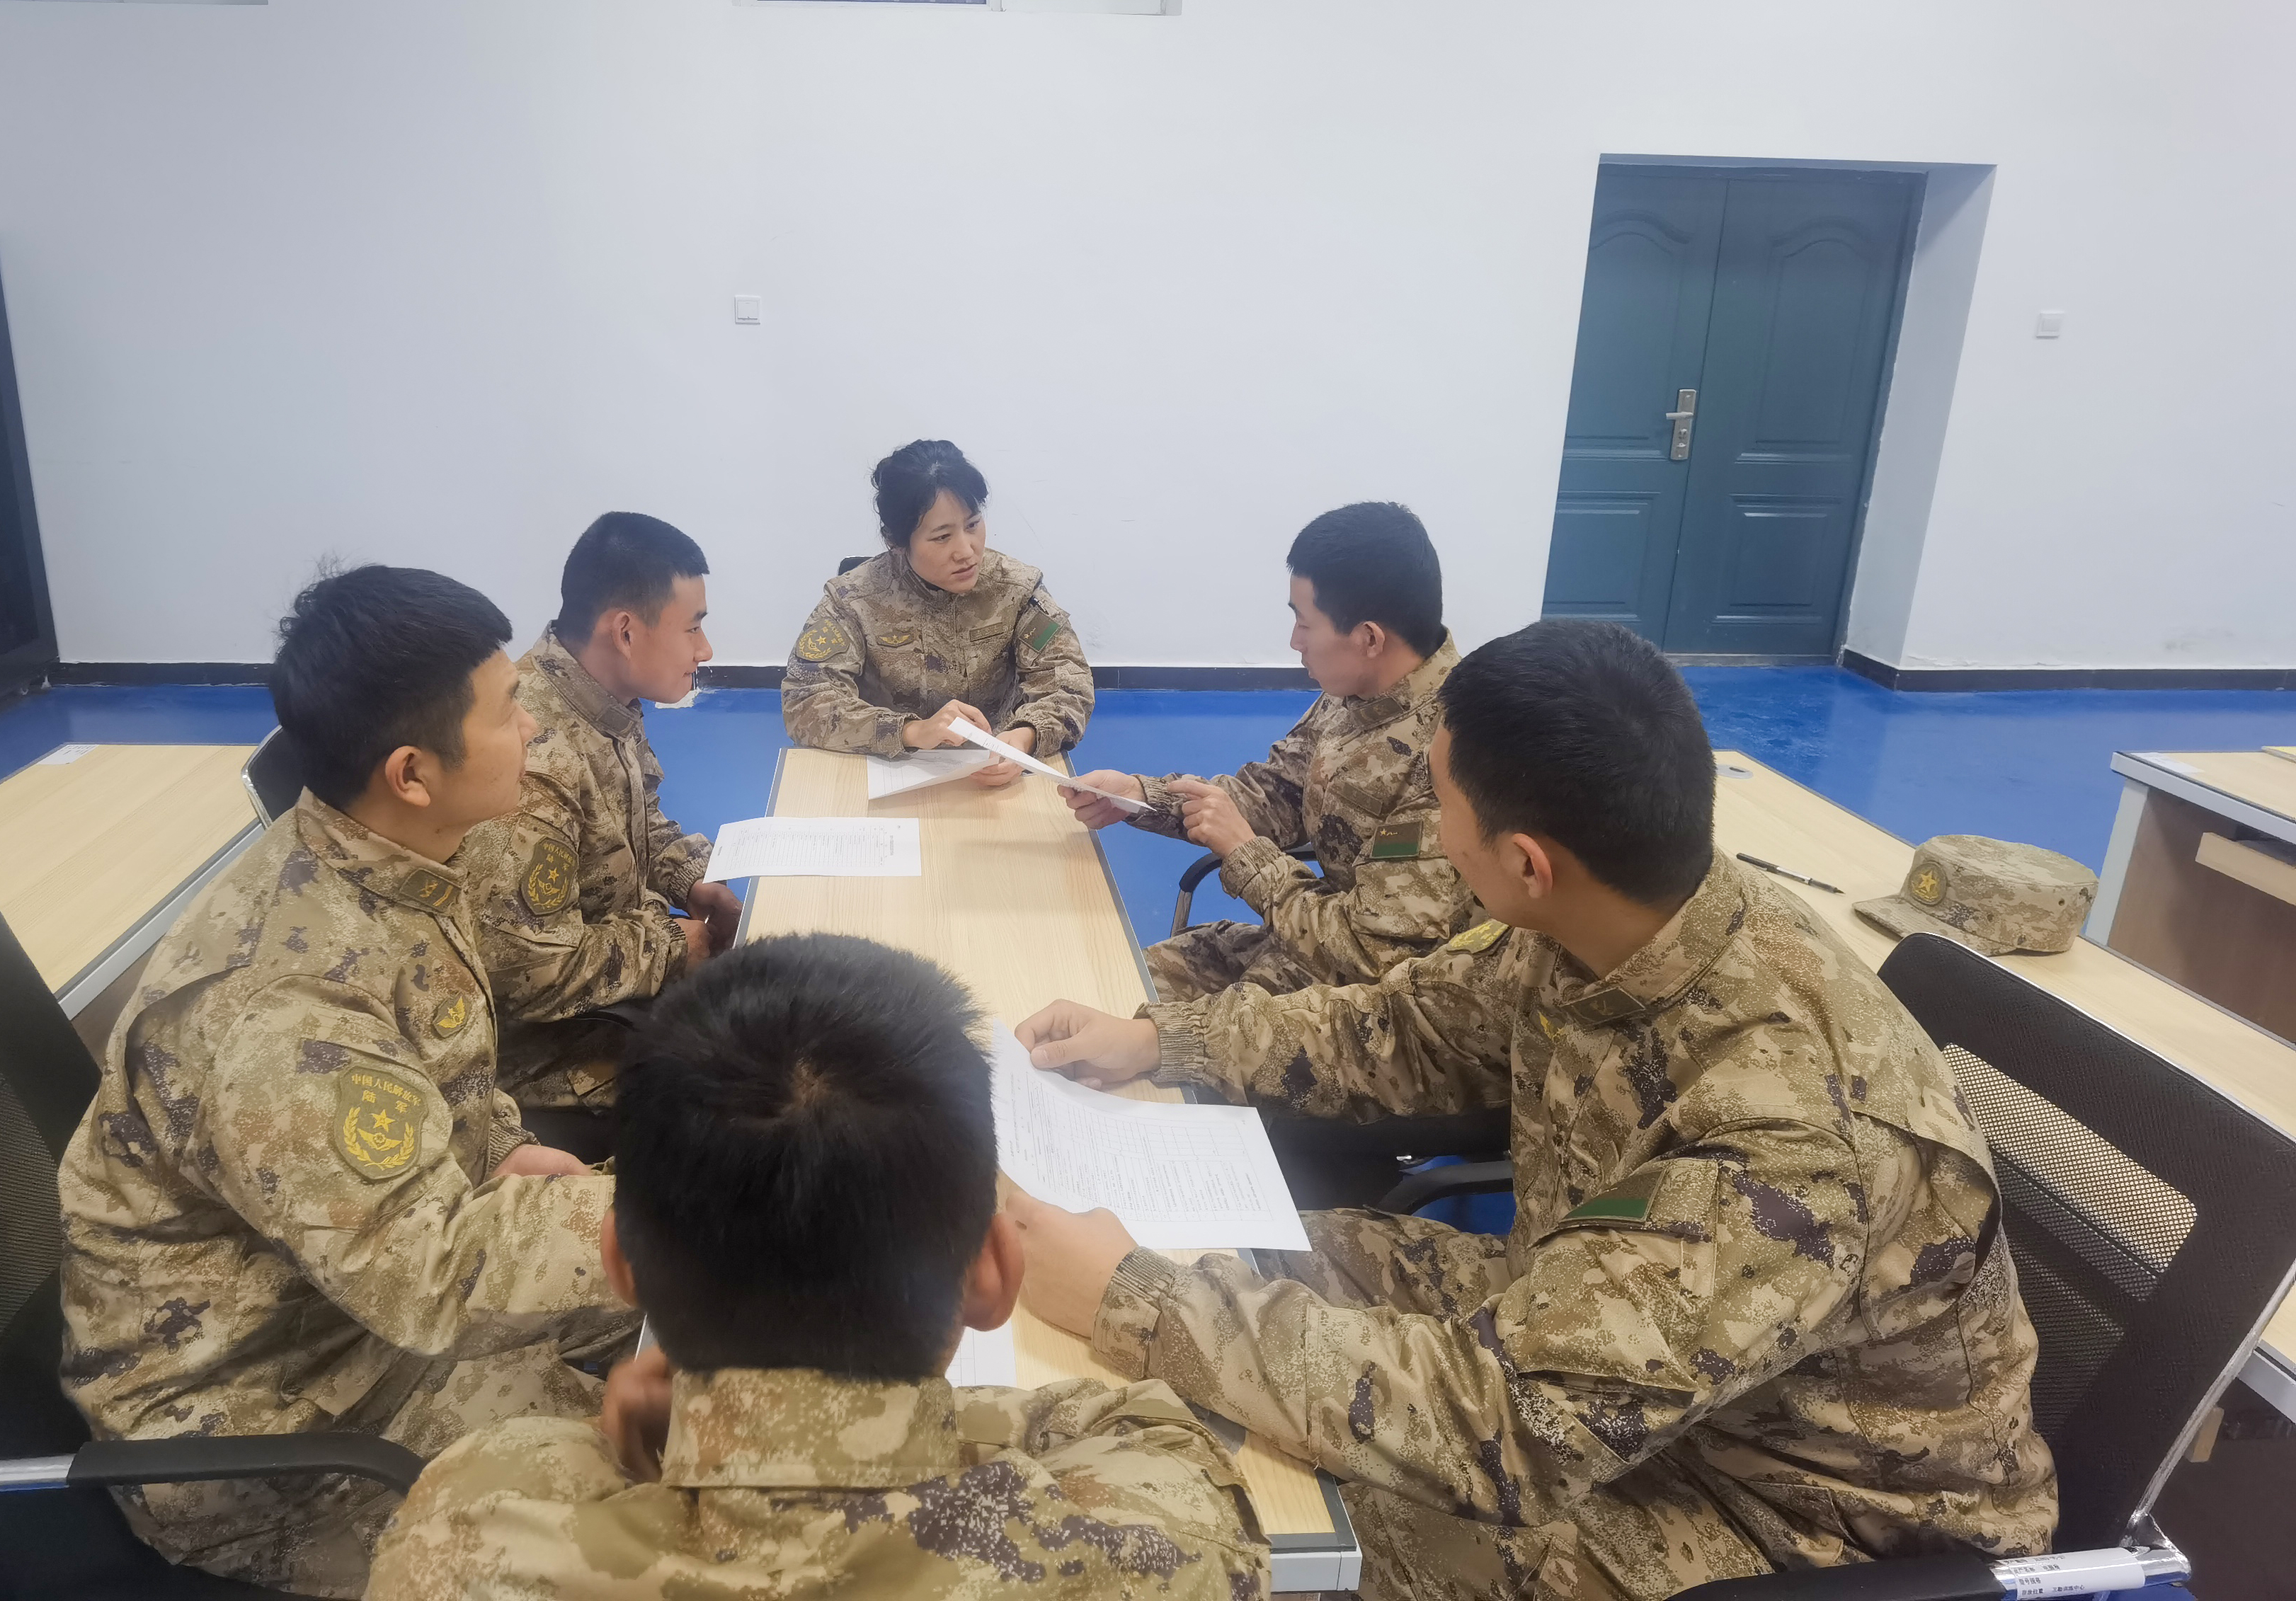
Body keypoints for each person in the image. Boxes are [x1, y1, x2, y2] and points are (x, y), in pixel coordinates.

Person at [1008, 619, 2057, 1601]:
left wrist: (1137, 1302)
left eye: (1442, 808)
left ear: (1525, 863)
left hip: (1790, 1517)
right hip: (1620, 1346)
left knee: (1252, 1518)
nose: (1434, 836)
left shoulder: (1787, 1140)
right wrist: (1166, 1041)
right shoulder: (1616, 913)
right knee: (1236, 1255)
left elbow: (1505, 1429)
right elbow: (1407, 1025)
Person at [364, 933, 1271, 1601]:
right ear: (996, 1272)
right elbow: (1154, 1438)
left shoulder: (467, 1532)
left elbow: (534, 1471)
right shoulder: (1153, 1553)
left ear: (619, 1264)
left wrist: (739, 1410)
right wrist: (812, 1413)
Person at [57, 566, 638, 1597]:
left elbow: (439, 1065)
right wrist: (685, 1216)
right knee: (665, 1524)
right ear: (413, 773)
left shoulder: (397, 857)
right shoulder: (278, 1019)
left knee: (738, 1328)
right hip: (281, 1437)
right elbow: (434, 1280)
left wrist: (503, 1145)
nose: (535, 729)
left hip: (359, 1314)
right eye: (509, 711)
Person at [1062, 501, 1477, 1002]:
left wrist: (1247, 857)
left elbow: (1375, 956)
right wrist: (1139, 796)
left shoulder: (1456, 751)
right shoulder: (1358, 692)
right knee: (1105, 985)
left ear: (1369, 638)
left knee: (1123, 1021)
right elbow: (1276, 793)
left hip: (1370, 1003)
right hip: (1304, 944)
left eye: (1305, 624)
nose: (1294, 641)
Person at [457, 513, 742, 1119]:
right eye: (693, 628)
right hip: (550, 1055)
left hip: (614, 985)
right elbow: (531, 972)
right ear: (626, 632)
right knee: (770, 1092)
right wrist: (671, 947)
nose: (706, 649)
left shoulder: (602, 698)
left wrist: (690, 880)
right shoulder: (533, 759)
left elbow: (638, 821)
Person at [782, 438, 1093, 782]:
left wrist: (1024, 738)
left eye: (972, 525)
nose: (966, 552)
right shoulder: (853, 599)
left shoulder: (1017, 589)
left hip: (994, 767)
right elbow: (805, 701)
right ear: (896, 541)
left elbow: (1069, 683)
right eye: (942, 537)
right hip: (889, 768)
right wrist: (911, 732)